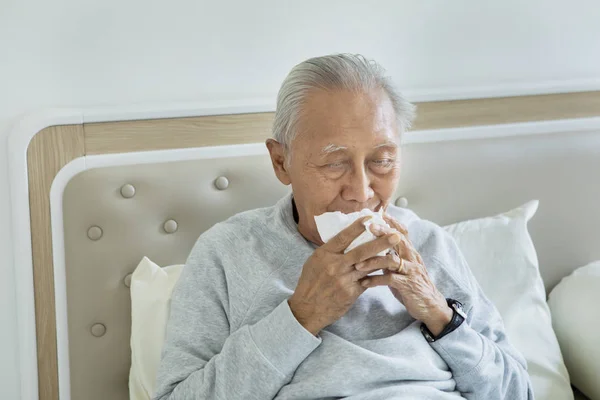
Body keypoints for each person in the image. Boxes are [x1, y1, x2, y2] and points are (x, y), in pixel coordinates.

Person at [153, 54, 534, 400]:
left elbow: (518, 392)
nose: (361, 192)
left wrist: (440, 315)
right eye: (334, 164)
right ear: (281, 162)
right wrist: (302, 316)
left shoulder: (429, 243)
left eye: (382, 161)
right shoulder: (228, 252)